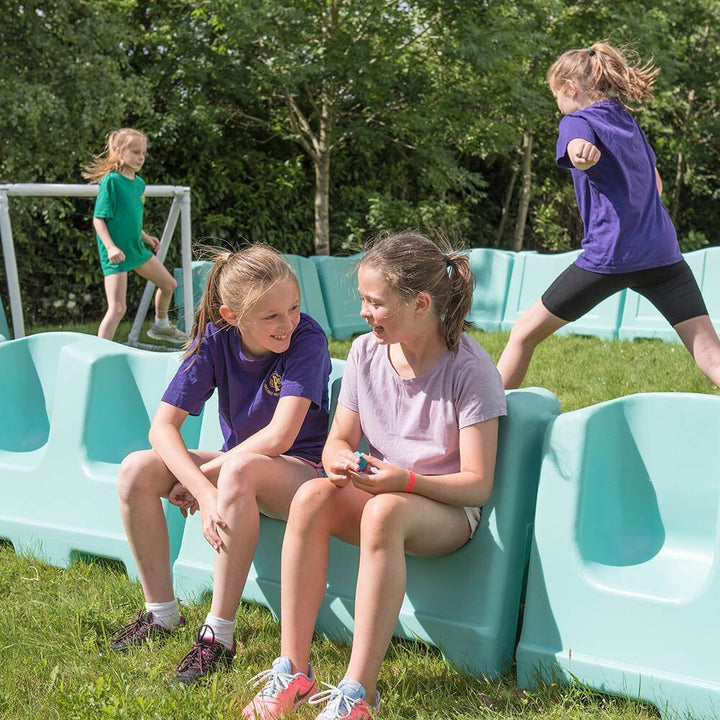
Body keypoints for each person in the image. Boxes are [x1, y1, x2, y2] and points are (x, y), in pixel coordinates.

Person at [242, 233, 506, 720]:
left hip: (446, 510)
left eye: (375, 302)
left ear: (421, 304)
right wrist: (341, 459)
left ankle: (358, 694)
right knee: (312, 497)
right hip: (384, 491)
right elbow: (338, 440)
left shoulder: (471, 370)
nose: (363, 312)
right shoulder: (366, 353)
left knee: (384, 511)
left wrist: (403, 481)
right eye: (363, 299)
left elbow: (477, 484)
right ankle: (293, 670)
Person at [107, 244, 332, 687]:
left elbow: (280, 437)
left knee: (238, 470)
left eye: (293, 308)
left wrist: (206, 478)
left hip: (299, 471)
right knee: (136, 469)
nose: (287, 322)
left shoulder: (307, 338)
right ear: (231, 316)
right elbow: (161, 430)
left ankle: (219, 635)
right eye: (271, 316)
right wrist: (205, 491)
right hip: (235, 472)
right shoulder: (215, 339)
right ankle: (160, 613)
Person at [497, 42, 720, 390]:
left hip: (610, 257)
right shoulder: (627, 122)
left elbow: (577, 146)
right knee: (710, 354)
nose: (557, 104)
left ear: (570, 88)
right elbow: (656, 184)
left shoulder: (576, 120)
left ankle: (483, 425)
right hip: (663, 256)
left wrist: (580, 154)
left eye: (556, 94)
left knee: (523, 333)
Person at [83, 127, 187, 343]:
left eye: (143, 153)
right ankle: (98, 352)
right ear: (119, 152)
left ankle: (160, 325)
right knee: (118, 308)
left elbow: (128, 219)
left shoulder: (139, 184)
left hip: (135, 249)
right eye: (136, 152)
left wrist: (145, 237)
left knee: (169, 285)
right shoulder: (110, 181)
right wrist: (111, 247)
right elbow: (99, 219)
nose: (141, 157)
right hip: (116, 255)